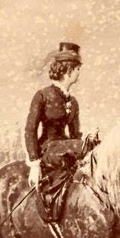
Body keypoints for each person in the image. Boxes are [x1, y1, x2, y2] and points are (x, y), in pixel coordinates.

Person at [24, 42, 98, 188]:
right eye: (77, 69)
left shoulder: (73, 102)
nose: (79, 73)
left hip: (66, 148)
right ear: (68, 70)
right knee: (83, 146)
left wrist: (89, 140)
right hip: (48, 150)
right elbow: (30, 130)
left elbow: (75, 135)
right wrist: (34, 164)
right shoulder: (43, 95)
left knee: (95, 146)